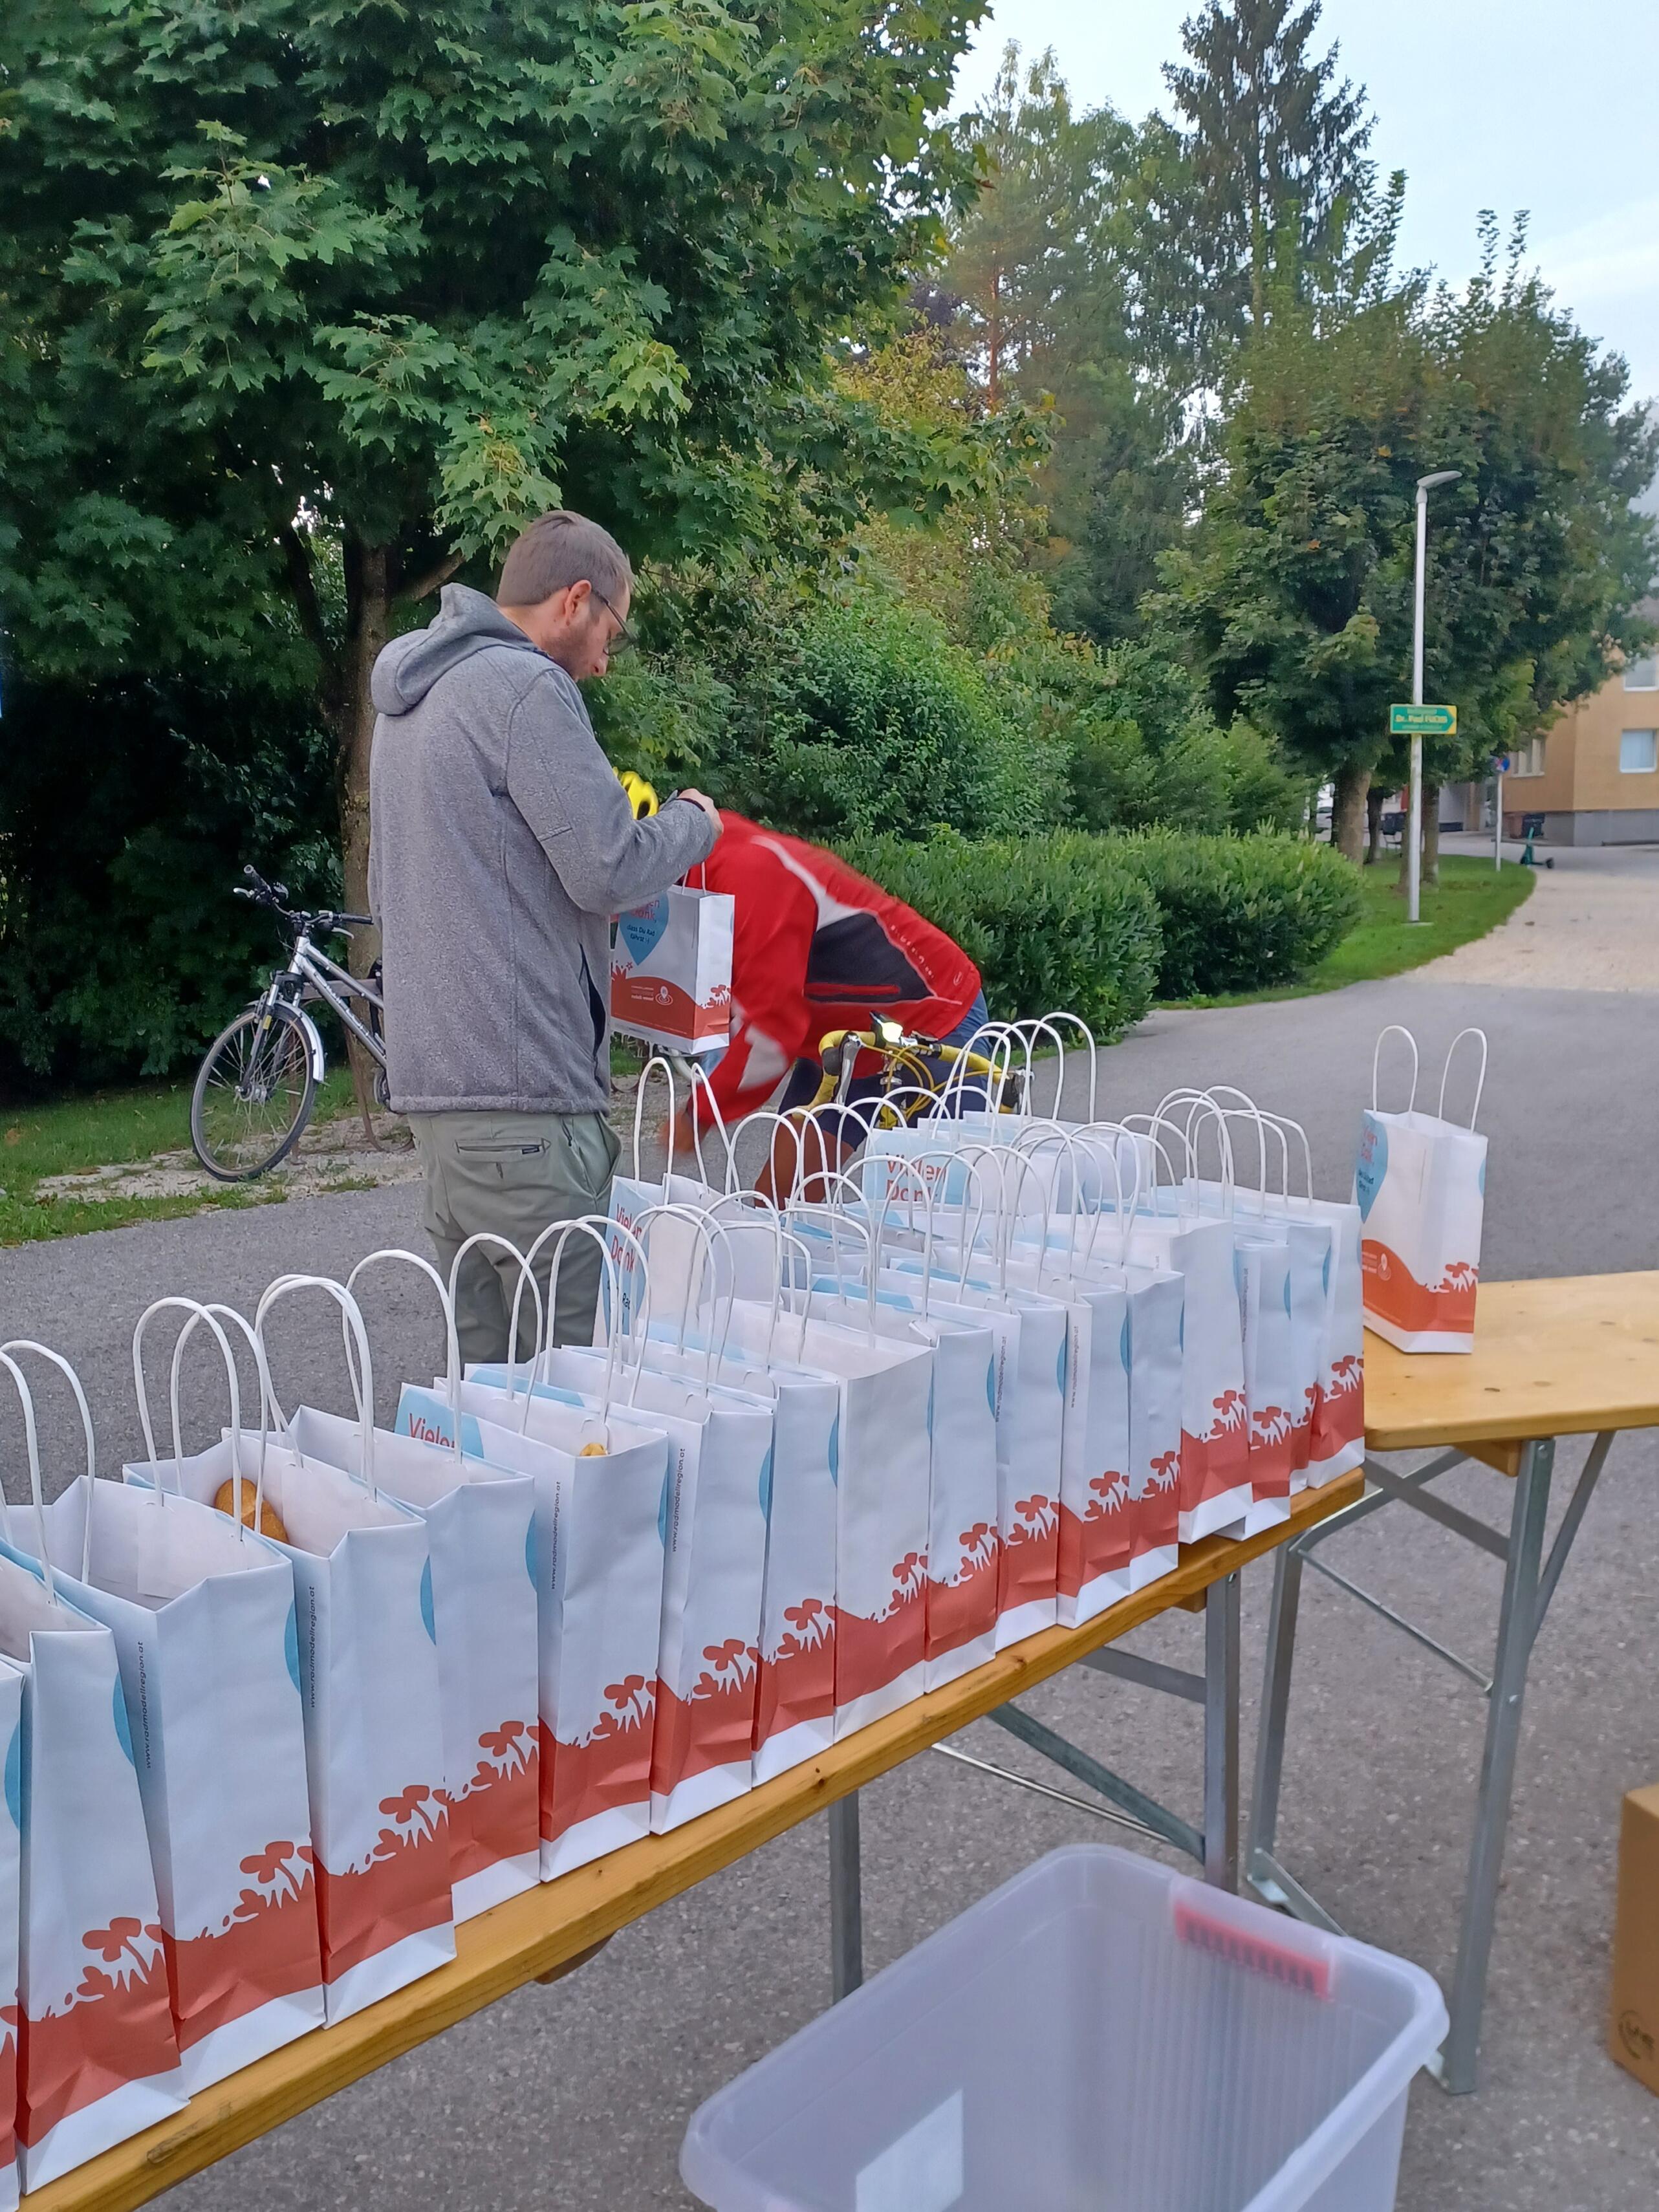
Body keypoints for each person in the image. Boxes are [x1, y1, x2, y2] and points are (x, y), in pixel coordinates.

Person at [369, 510, 721, 1361]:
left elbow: (391, 888)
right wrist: (691, 823)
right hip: (529, 1108)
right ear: (575, 600)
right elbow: (606, 868)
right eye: (612, 629)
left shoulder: (410, 701)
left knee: (487, 1404)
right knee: (564, 1400)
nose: (604, 660)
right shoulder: (525, 689)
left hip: (443, 1107)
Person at [680, 812, 987, 1198]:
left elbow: (773, 1033)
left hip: (931, 1018)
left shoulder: (749, 874)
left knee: (948, 1219)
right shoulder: (701, 868)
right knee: (778, 1210)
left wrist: (702, 1112)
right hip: (841, 1041)